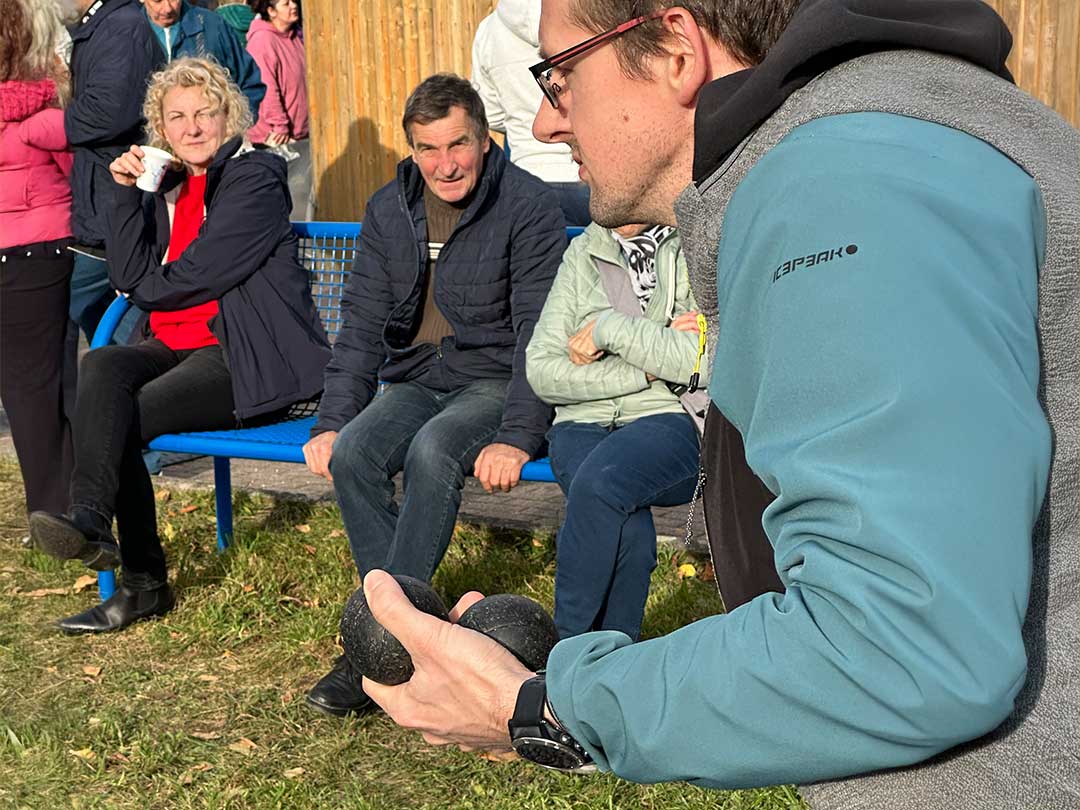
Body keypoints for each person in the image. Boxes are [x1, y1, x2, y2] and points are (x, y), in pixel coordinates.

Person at [349, 0, 1079, 806]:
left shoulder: (845, 182)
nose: (551, 125)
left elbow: (901, 642)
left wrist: (543, 708)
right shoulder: (889, 139)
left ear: (673, 49)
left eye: (560, 77)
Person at [28, 57, 331, 635]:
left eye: (205, 113)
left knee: (123, 417)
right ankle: (91, 518)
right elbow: (128, 271)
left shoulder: (255, 179)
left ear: (229, 116)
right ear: (160, 128)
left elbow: (188, 278)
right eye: (177, 117)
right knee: (105, 364)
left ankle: (143, 584)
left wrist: (142, 284)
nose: (192, 128)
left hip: (244, 358)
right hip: (173, 345)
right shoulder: (167, 185)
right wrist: (122, 194)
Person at [301, 73, 566, 717]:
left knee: (433, 451)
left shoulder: (527, 206)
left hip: (494, 380)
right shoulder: (389, 210)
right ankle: (399, 629)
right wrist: (334, 420)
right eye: (427, 149)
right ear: (411, 148)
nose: (444, 165)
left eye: (458, 145)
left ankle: (374, 645)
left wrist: (517, 434)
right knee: (355, 453)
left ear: (485, 138)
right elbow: (360, 324)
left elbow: (540, 332)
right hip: (417, 376)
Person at [525, 223, 704, 640]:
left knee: (602, 481)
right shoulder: (583, 252)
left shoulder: (694, 246)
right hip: (580, 422)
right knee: (631, 529)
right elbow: (542, 370)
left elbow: (701, 362)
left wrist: (610, 329)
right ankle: (613, 657)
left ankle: (566, 652)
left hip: (669, 416)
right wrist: (646, 364)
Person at [0, 0, 75, 521]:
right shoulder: (44, 112)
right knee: (58, 381)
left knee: (24, 386)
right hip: (49, 246)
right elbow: (83, 173)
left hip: (7, 251)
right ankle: (66, 509)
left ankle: (50, 506)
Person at [63, 0, 163, 343]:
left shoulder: (122, 26)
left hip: (109, 203)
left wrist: (42, 122)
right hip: (101, 202)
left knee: (112, 323)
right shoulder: (108, 24)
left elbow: (108, 112)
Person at [471, 0, 589, 225]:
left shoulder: (489, 30)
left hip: (527, 177)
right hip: (587, 175)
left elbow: (490, 114)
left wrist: (522, 120)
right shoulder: (585, 16)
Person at [142, 0, 265, 120]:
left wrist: (235, 125)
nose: (167, 8)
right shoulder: (129, 32)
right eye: (157, 1)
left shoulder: (212, 25)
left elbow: (250, 81)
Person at [245, 0, 309, 217]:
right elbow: (267, 87)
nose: (293, 5)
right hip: (273, 138)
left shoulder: (294, 38)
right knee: (282, 200)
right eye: (285, 3)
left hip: (298, 135)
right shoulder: (263, 41)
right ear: (270, 11)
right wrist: (279, 125)